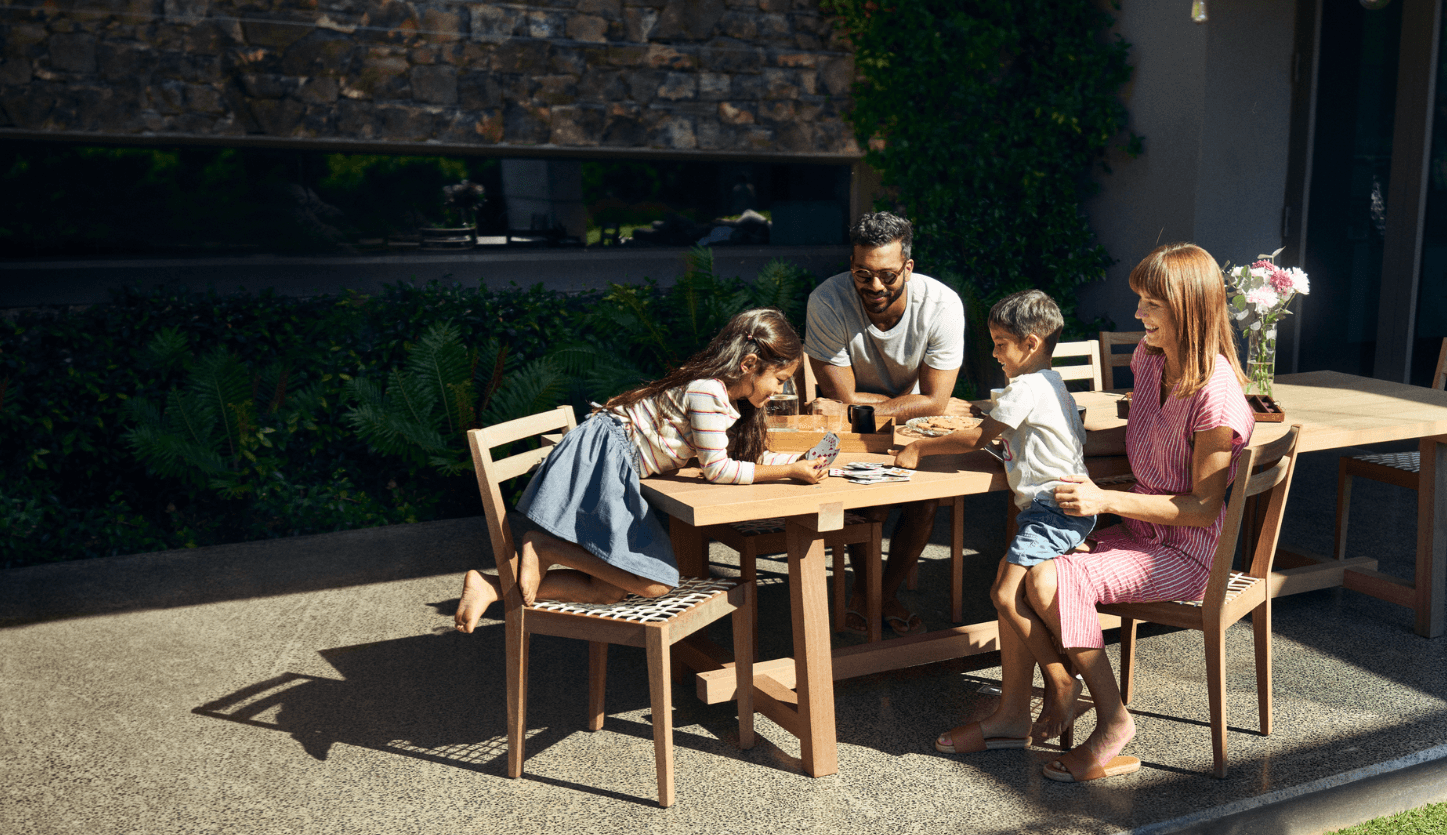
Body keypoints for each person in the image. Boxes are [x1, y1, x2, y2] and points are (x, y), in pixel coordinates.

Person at [931, 243, 1256, 781]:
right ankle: (1011, 716)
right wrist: (1055, 439)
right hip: (1138, 533)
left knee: (1048, 578)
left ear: (1190, 310)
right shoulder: (1151, 361)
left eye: (1152, 304)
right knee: (1017, 575)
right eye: (1141, 300)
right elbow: (1139, 438)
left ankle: (1113, 719)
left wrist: (1104, 500)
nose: (1138, 313)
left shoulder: (1216, 397)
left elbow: (1203, 509)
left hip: (1187, 554)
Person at [454, 309, 828, 632]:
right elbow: (717, 469)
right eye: (779, 380)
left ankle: (491, 587)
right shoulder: (708, 392)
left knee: (608, 589)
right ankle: (544, 546)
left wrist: (797, 463)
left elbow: (737, 457)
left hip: (613, 461)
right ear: (748, 365)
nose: (780, 390)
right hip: (607, 461)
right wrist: (790, 472)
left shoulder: (720, 395)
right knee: (654, 582)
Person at [897, 289, 1099, 753]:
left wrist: (919, 447)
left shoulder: (1025, 388)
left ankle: (1061, 681)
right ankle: (1046, 688)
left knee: (1003, 595)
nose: (993, 353)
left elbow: (978, 437)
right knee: (1009, 592)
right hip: (1060, 508)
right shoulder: (1052, 383)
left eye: (1001, 343)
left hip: (1050, 509)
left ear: (1030, 344)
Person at [804, 210, 974, 635]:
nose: (875, 286)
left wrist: (922, 405)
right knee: (869, 502)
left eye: (887, 275)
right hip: (856, 429)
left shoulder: (941, 305)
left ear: (908, 267)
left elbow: (933, 400)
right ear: (851, 265)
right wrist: (919, 404)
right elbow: (845, 399)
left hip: (910, 429)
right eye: (863, 274)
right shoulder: (827, 300)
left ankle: (877, 595)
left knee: (924, 501)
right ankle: (873, 595)